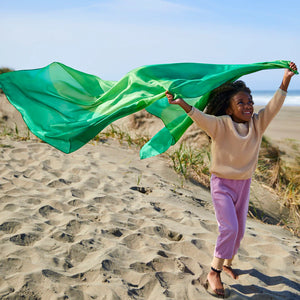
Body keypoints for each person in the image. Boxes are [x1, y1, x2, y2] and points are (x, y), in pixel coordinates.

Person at [166, 61, 297, 298]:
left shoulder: (258, 123)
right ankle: (214, 272)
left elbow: (274, 106)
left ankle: (227, 263)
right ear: (228, 109)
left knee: (239, 232)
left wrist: (286, 79)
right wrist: (181, 103)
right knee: (229, 227)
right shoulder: (220, 125)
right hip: (222, 184)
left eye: (250, 102)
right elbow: (198, 116)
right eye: (241, 103)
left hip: (243, 184)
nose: (248, 106)